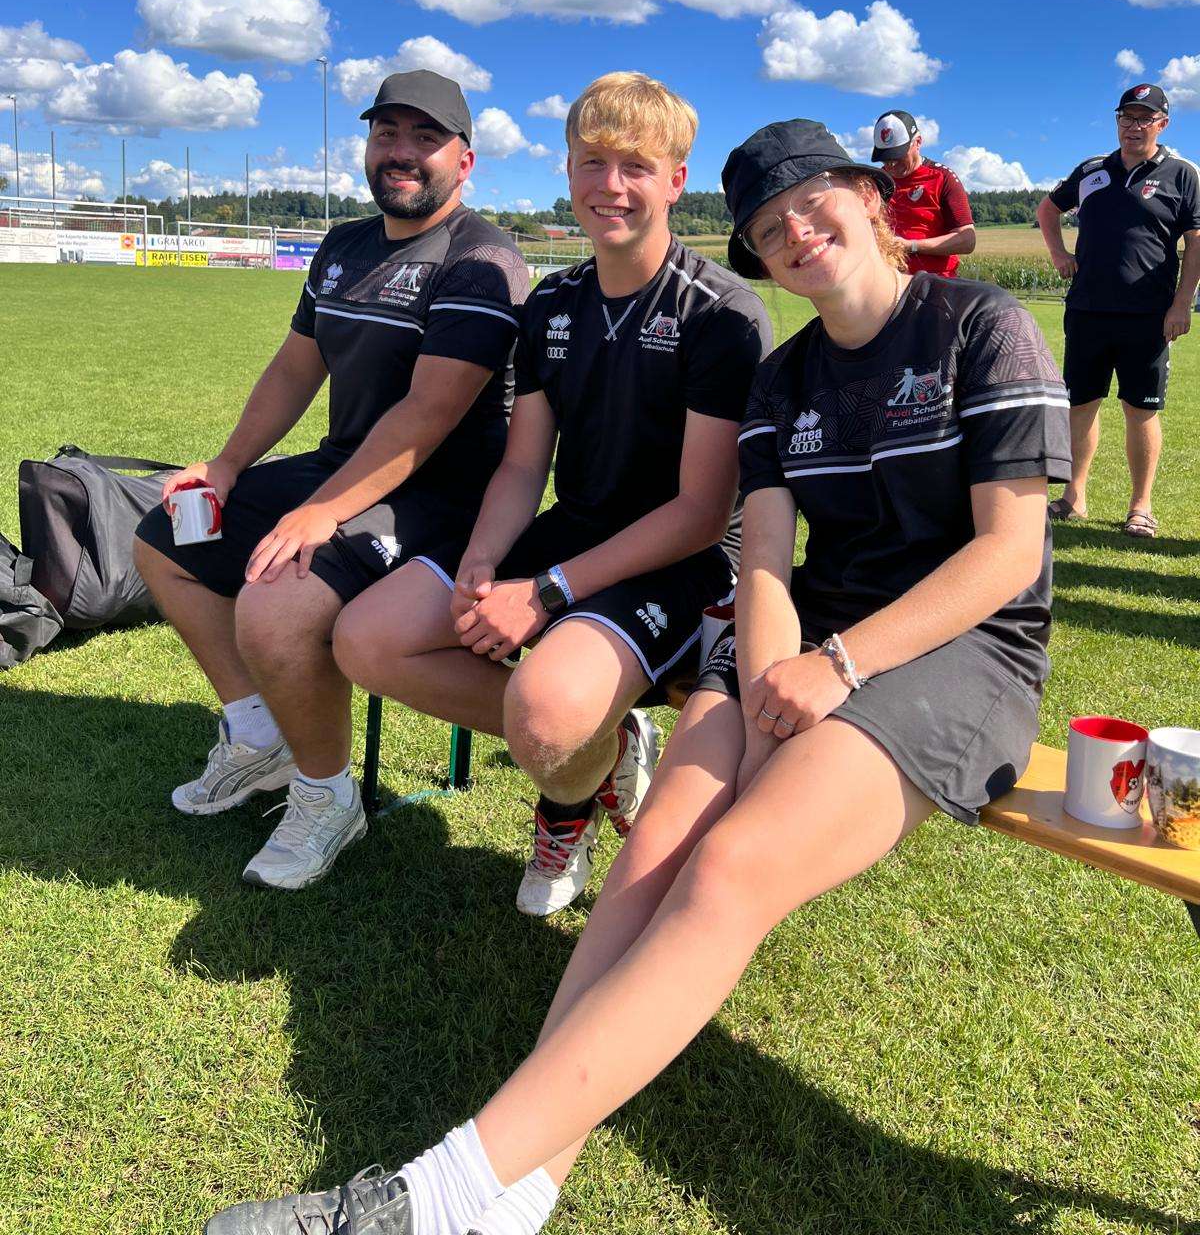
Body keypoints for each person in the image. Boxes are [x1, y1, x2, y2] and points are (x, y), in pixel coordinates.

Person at [206, 119, 1069, 1235]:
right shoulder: (786, 373)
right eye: (769, 225)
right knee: (650, 857)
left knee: (732, 865)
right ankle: (520, 1187)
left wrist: (837, 666)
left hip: (964, 648)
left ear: (870, 197)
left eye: (812, 203)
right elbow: (767, 564)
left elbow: (1007, 555)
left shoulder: (981, 325)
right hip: (806, 631)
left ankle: (436, 1199)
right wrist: (767, 680)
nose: (796, 232)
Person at [333, 71, 770, 916]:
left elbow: (701, 514)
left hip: (685, 559)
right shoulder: (553, 302)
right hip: (573, 529)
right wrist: (482, 562)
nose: (612, 185)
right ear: (567, 171)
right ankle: (607, 744)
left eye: (637, 166)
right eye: (593, 162)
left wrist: (544, 593)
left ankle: (566, 794)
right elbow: (523, 467)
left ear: (676, 182)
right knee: (367, 639)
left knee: (544, 715)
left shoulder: (722, 313)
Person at [133, 70, 529, 890]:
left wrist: (321, 511)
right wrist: (227, 465)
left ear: (465, 160)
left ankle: (326, 796)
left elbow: (429, 412)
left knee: (275, 604)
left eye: (426, 138)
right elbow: (295, 367)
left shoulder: (482, 257)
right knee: (167, 535)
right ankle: (259, 738)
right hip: (344, 466)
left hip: (440, 495)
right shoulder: (345, 245)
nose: (402, 152)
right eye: (387, 133)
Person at [1037, 82, 1200, 536]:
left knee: (1140, 409)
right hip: (1087, 310)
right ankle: (1074, 498)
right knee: (1081, 404)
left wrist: (1182, 303)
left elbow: (1196, 242)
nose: (1134, 126)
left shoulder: (1182, 174)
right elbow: (1047, 210)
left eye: (1145, 118)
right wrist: (1059, 254)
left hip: (1148, 316)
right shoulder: (1093, 170)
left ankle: (1140, 506)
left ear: (1162, 124)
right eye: (1126, 117)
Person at [871, 108, 975, 275]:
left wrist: (912, 246)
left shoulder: (942, 177)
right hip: (889, 282)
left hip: (936, 282)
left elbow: (967, 240)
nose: (891, 164)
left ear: (918, 142)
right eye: (885, 158)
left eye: (897, 156)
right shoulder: (876, 181)